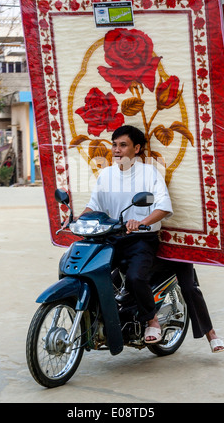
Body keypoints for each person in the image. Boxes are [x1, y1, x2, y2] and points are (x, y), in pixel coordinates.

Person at [75, 125, 173, 344]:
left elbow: (164, 206)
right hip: (110, 238)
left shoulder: (149, 173)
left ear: (136, 148)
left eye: (123, 145)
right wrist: (78, 220)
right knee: (88, 272)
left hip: (140, 240)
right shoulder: (106, 174)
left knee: (135, 277)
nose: (116, 150)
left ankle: (152, 321)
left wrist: (142, 222)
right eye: (114, 144)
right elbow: (94, 204)